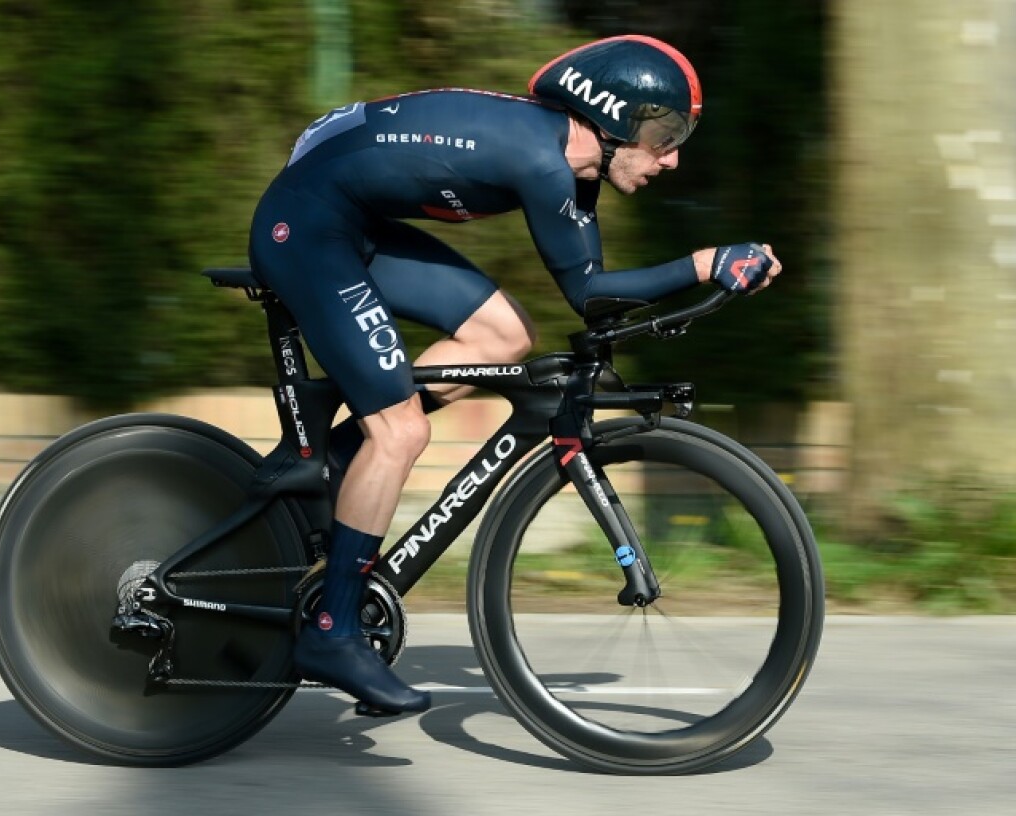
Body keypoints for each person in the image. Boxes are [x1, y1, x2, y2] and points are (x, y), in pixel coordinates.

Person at [247, 35, 781, 715]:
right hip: (309, 224)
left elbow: (594, 297)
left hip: (352, 222)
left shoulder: (574, 172)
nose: (672, 158)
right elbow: (589, 299)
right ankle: (333, 632)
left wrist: (715, 281)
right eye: (663, 134)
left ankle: (340, 453)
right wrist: (703, 264)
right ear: (612, 117)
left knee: (504, 335)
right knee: (401, 434)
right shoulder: (541, 157)